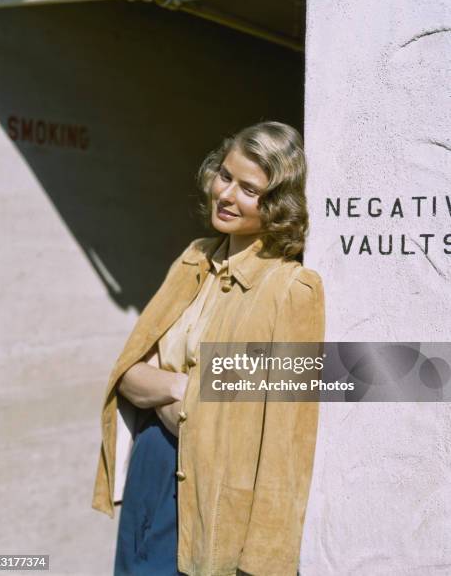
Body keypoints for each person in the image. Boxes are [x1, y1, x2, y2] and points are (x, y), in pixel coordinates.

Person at [92, 121, 325, 576]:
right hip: (152, 467)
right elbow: (131, 373)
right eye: (225, 176)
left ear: (279, 203)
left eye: (249, 189)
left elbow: (286, 441)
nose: (227, 194)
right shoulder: (194, 258)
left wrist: (265, 561)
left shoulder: (291, 290)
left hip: (219, 495)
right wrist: (187, 387)